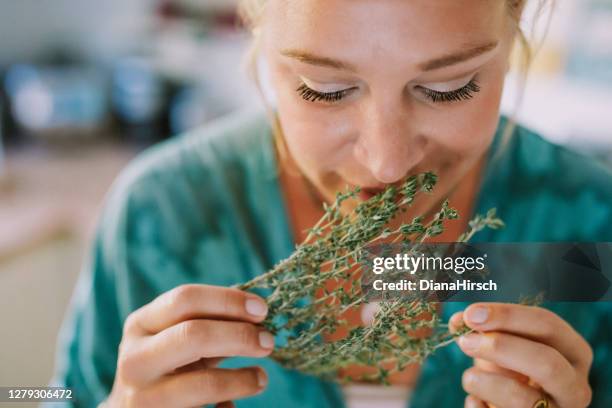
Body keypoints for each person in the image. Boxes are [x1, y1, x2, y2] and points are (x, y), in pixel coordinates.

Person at [47, 1, 612, 407]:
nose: (386, 164)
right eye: (325, 89)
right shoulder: (161, 215)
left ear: (515, 32)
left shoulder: (590, 227)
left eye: (450, 88)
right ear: (254, 29)